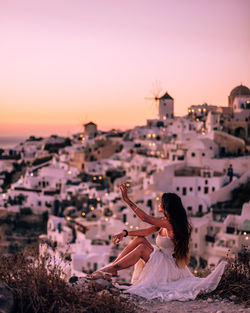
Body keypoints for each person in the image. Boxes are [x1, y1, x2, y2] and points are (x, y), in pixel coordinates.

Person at [87, 183, 227, 301]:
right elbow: (145, 232)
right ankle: (112, 269)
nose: (158, 203)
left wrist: (127, 200)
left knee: (142, 248)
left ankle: (108, 270)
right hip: (161, 257)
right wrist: (125, 233)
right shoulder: (164, 222)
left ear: (166, 206)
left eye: (161, 202)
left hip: (167, 266)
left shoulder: (171, 224)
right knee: (140, 240)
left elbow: (145, 219)